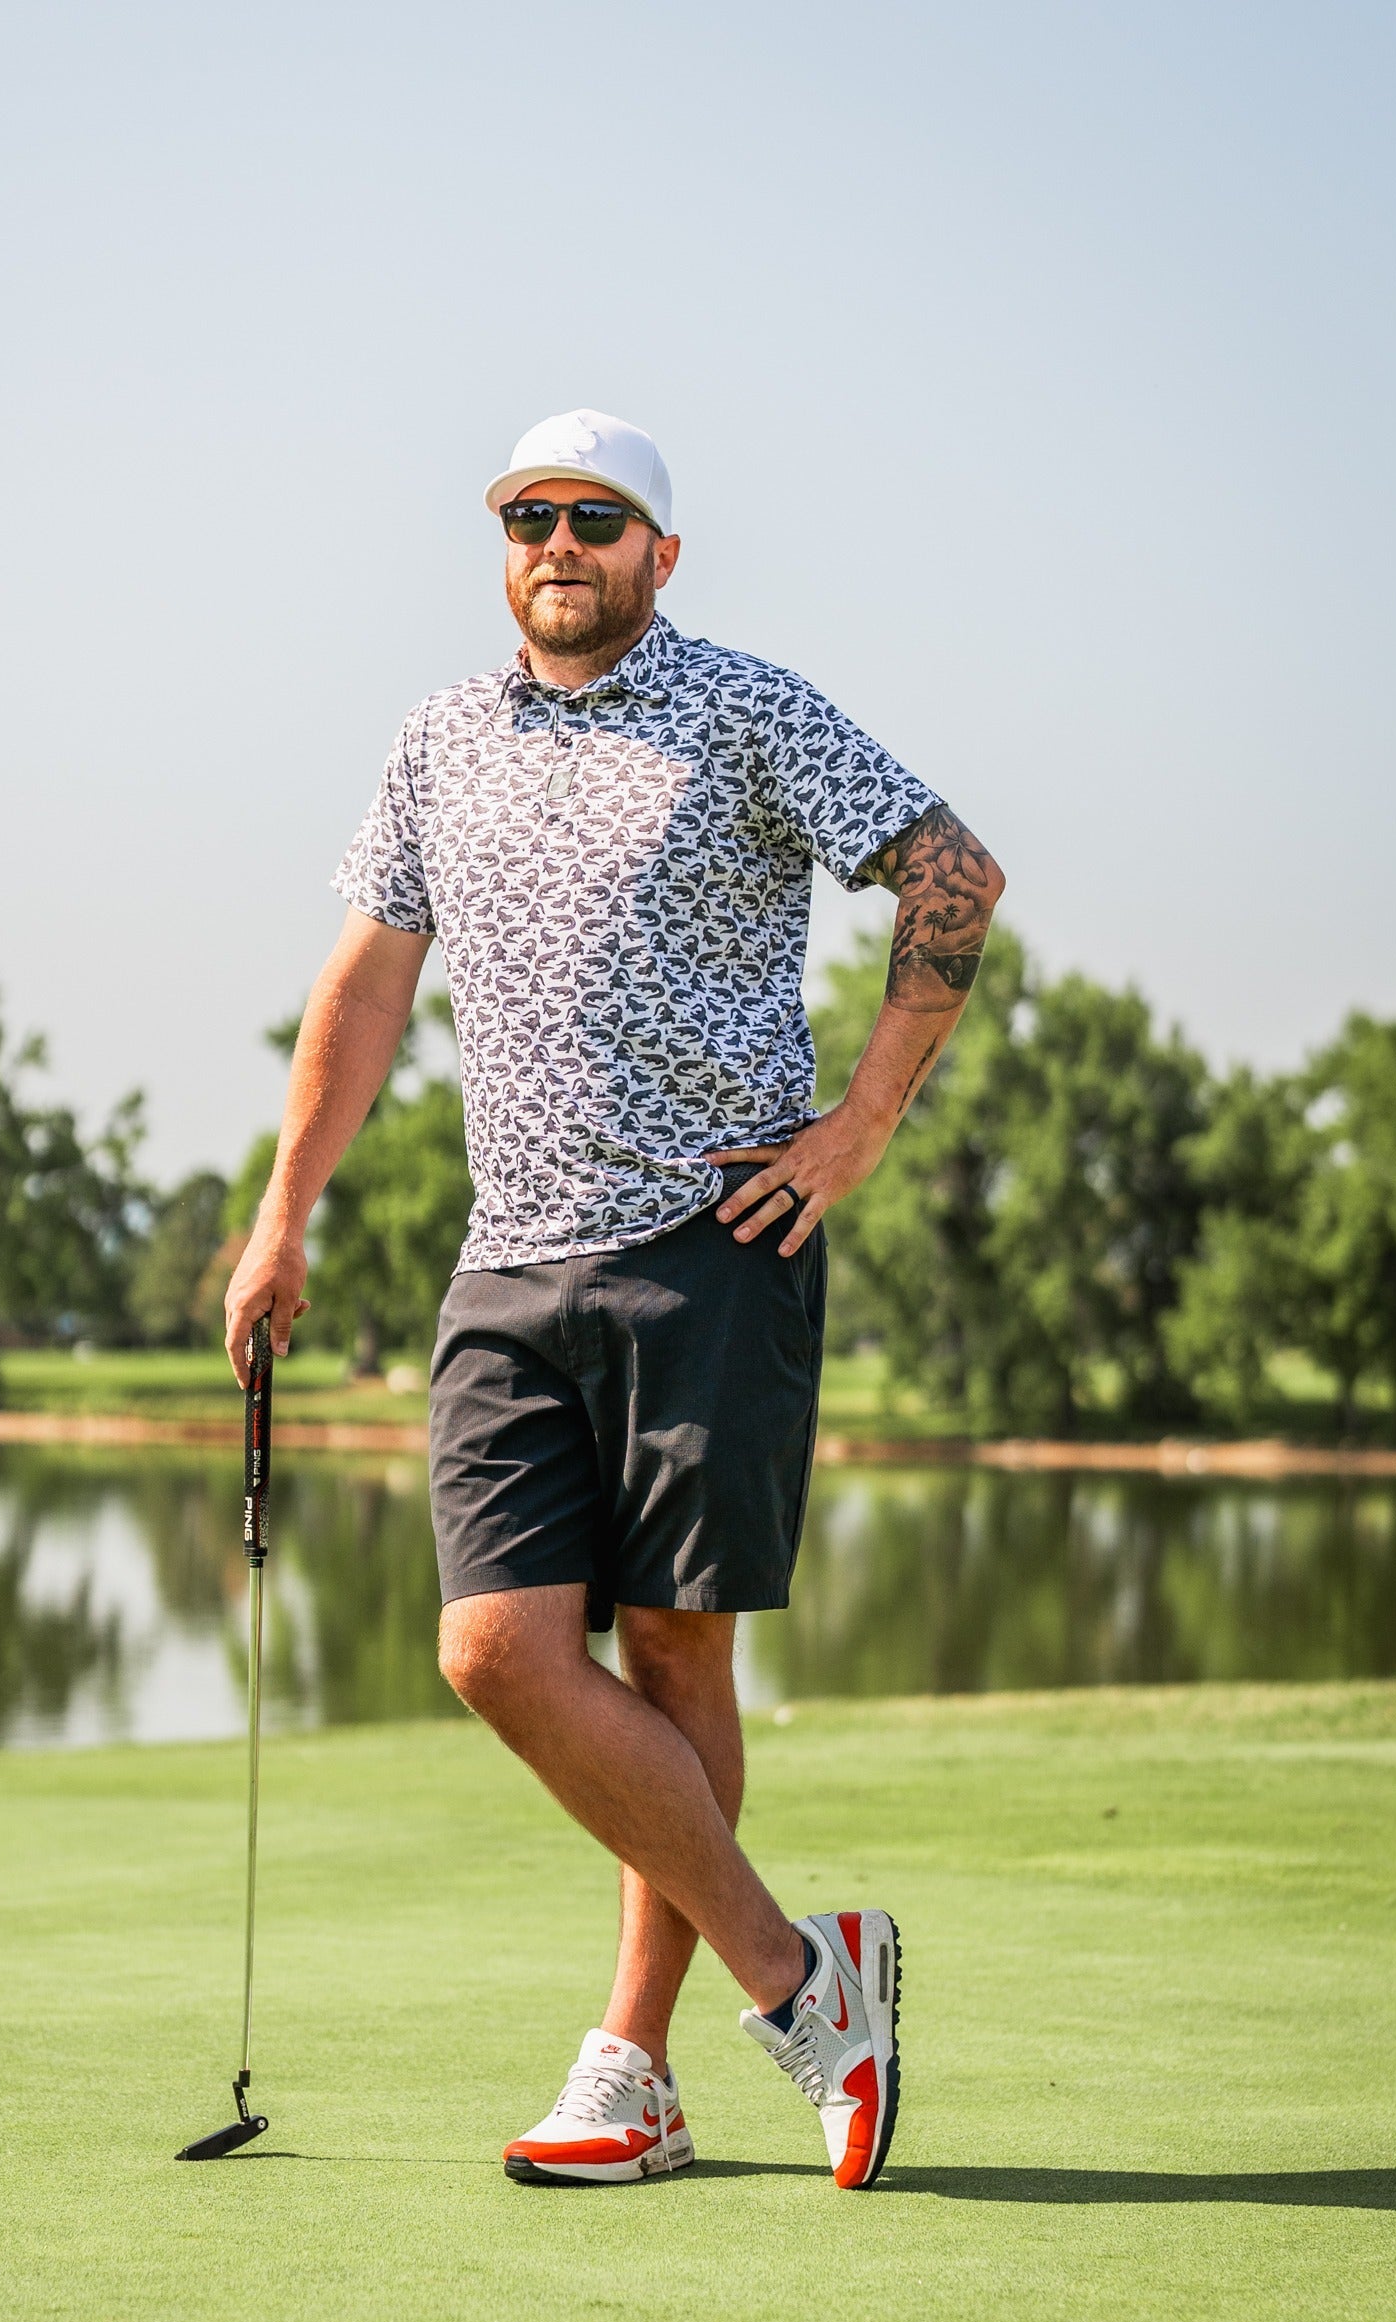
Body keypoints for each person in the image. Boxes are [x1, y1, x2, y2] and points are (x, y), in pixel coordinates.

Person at [225, 408, 1004, 2189]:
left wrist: (863, 1123)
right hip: (507, 1259)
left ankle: (630, 2072)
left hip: (711, 1247)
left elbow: (954, 872)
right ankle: (809, 1982)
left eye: (595, 517)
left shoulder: (748, 707)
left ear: (660, 552)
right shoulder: (440, 739)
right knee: (494, 1650)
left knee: (669, 1653)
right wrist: (283, 1217)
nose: (556, 542)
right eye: (525, 517)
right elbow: (360, 997)